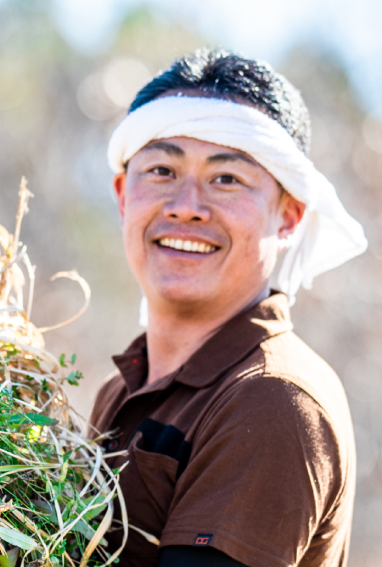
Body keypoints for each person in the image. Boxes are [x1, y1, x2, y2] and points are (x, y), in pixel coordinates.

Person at [88, 49, 367, 567]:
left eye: (227, 179)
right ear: (124, 195)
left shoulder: (273, 400)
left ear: (288, 216)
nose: (187, 204)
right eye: (162, 170)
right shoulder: (121, 390)